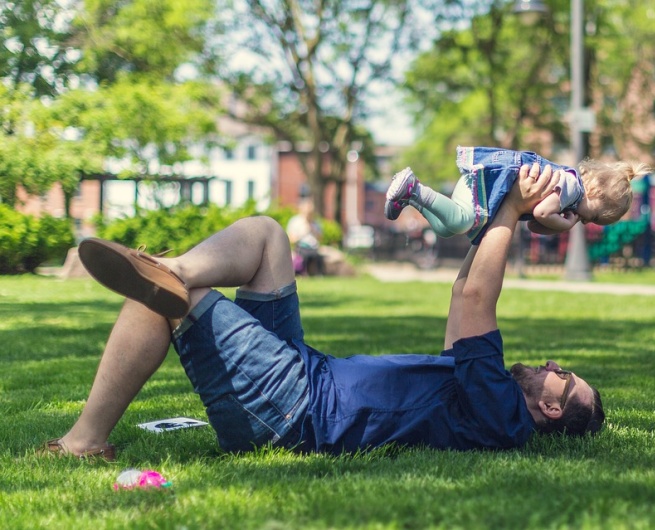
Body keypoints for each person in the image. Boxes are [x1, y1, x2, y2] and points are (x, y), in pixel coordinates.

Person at [37, 163, 604, 461]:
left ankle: (85, 440)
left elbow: (481, 299)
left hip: (292, 411)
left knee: (171, 303)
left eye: (562, 373)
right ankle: (176, 270)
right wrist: (511, 215)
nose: (552, 363)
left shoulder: (500, 415)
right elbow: (464, 294)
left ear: (552, 407)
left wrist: (511, 206)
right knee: (267, 237)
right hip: (304, 373)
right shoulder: (481, 393)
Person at [385, 146, 651, 243]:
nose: (583, 220)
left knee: (445, 229)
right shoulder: (571, 187)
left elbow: (536, 224)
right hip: (487, 184)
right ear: (593, 190)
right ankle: (414, 187)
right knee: (460, 221)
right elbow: (541, 213)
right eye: (591, 216)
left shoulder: (565, 198)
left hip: (481, 186)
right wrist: (565, 223)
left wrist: (557, 226)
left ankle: (410, 198)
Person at [286, 197, 325, 276]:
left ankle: (318, 274)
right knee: (304, 256)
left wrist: (313, 230)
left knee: (318, 256)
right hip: (301, 247)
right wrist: (302, 233)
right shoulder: (295, 221)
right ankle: (302, 273)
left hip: (314, 248)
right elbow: (290, 239)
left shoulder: (316, 222)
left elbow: (321, 239)